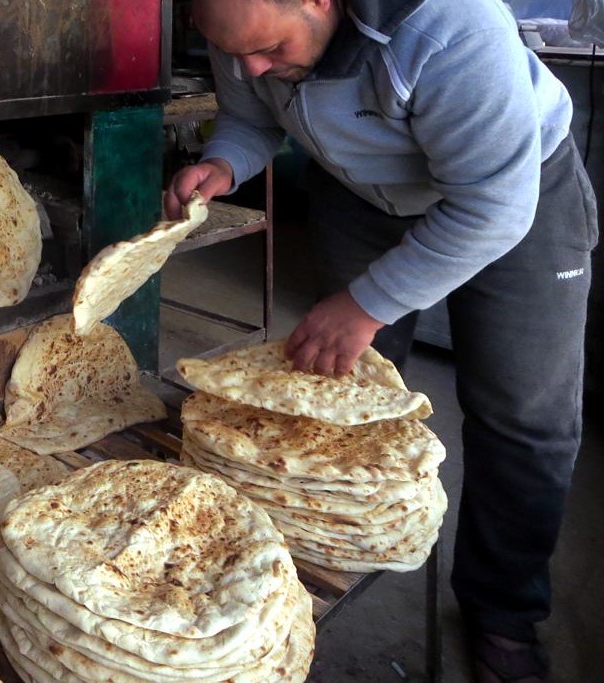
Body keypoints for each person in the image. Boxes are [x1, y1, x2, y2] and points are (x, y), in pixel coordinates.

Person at [165, 1, 598, 681]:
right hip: (362, 190)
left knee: (524, 411)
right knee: (337, 389)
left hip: (513, 191)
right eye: (235, 53)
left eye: (270, 50)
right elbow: (252, 117)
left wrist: (370, 301)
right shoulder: (241, 26)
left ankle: (503, 614)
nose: (251, 66)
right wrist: (223, 164)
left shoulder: (449, 27)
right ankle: (331, 538)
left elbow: (492, 206)